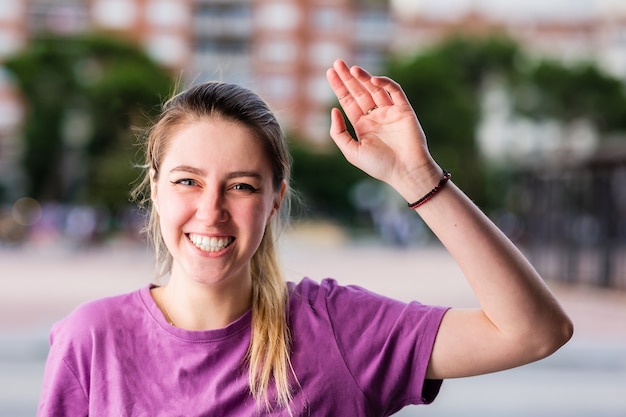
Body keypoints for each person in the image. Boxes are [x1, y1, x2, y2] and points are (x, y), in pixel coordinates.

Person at [38, 59, 573, 416]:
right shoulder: (91, 341)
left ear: (274, 197)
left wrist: (418, 179)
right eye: (187, 181)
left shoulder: (337, 329)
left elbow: (532, 332)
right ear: (154, 186)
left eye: (241, 186)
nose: (211, 210)